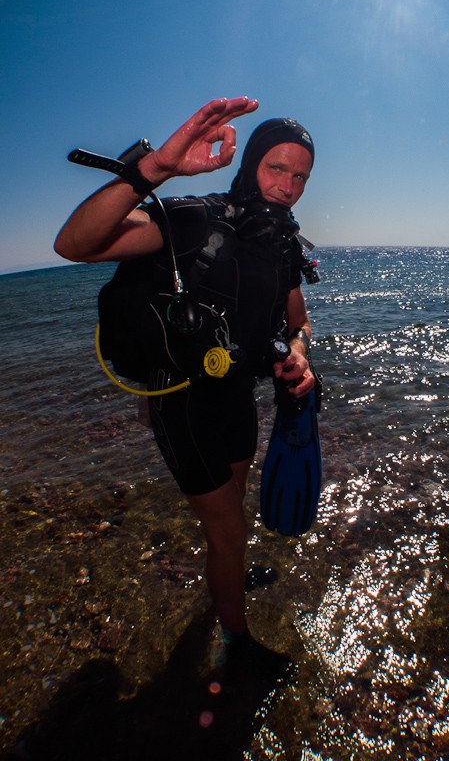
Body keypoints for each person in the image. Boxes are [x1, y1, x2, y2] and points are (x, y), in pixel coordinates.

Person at [54, 97, 316, 656]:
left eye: (300, 176)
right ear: (250, 164)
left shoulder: (282, 243)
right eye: (277, 168)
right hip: (182, 402)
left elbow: (299, 321)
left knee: (233, 516)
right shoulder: (196, 219)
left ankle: (225, 581)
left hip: (238, 397)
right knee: (227, 529)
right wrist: (157, 169)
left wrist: (299, 352)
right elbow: (74, 244)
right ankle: (235, 642)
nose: (289, 186)